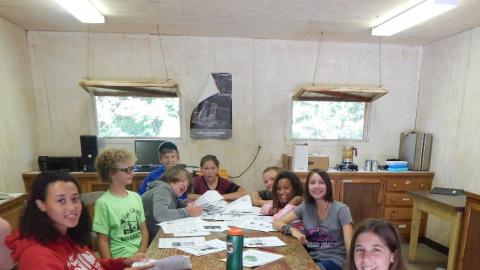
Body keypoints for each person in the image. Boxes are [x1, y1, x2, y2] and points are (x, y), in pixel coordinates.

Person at [5, 170, 152, 269]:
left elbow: (89, 263)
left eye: (75, 199)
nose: (72, 207)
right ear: (41, 204)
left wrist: (125, 261)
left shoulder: (67, 234)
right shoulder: (37, 257)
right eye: (61, 201)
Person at [273, 169, 353, 270]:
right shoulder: (305, 207)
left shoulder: (342, 209)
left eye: (321, 182)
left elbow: (350, 245)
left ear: (328, 186)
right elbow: (277, 223)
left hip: (335, 260)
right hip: (311, 257)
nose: (316, 186)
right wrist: (292, 231)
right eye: (312, 183)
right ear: (308, 187)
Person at [93, 148, 148, 259]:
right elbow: (102, 241)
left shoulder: (136, 197)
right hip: (120, 260)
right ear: (112, 173)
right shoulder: (103, 203)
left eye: (132, 168)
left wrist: (141, 253)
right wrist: (111, 266)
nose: (132, 173)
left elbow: (144, 230)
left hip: (140, 256)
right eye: (127, 170)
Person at [142, 165, 203, 243]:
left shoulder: (171, 193)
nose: (185, 185)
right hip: (148, 240)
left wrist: (185, 204)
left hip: (156, 236)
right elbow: (161, 214)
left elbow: (176, 205)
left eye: (187, 184)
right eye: (182, 181)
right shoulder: (163, 188)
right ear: (170, 179)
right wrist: (187, 211)